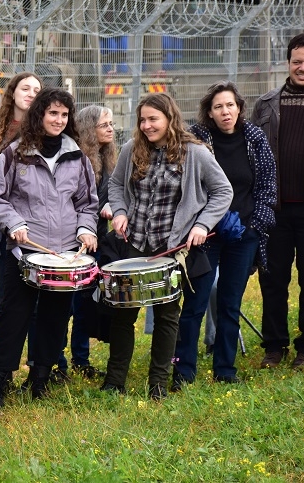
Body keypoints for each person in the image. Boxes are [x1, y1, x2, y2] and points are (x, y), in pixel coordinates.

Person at [103, 93, 232, 400]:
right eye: (142, 120)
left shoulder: (195, 154)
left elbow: (222, 191)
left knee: (167, 316)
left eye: (153, 119)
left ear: (170, 119)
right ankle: (113, 382)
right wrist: (120, 212)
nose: (147, 126)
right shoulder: (130, 149)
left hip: (169, 250)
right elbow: (116, 186)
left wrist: (202, 225)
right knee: (124, 314)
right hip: (135, 245)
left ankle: (158, 384)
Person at [0, 87, 99, 406]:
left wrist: (86, 229)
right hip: (24, 254)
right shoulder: (15, 153)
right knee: (13, 317)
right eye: (53, 113)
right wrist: (15, 223)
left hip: (63, 255)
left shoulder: (77, 155)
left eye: (64, 114)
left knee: (54, 319)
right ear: (39, 115)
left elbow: (87, 202)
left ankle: (40, 380)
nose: (59, 120)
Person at [171, 82, 276, 386]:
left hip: (244, 234)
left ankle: (225, 370)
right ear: (209, 112)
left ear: (240, 108)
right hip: (205, 238)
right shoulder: (196, 141)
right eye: (218, 107)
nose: (225, 111)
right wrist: (197, 225)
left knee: (230, 304)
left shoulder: (254, 139)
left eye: (230, 105)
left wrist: (256, 224)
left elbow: (268, 185)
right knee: (195, 303)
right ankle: (184, 371)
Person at [252, 32, 304, 369]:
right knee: (273, 282)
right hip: (274, 211)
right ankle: (274, 348)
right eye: (297, 62)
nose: (302, 68)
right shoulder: (266, 103)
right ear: (288, 62)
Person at [0, 72, 42, 308]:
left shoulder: (43, 136)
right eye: (26, 89)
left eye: (37, 91)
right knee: (4, 302)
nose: (31, 94)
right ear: (13, 93)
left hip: (30, 229)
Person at [67, 104, 119, 378]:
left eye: (111, 124)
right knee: (70, 305)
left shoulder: (108, 157)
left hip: (98, 240)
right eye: (104, 125)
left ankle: (80, 359)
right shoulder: (77, 158)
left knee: (86, 304)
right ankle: (56, 361)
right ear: (89, 129)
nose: (111, 129)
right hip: (73, 242)